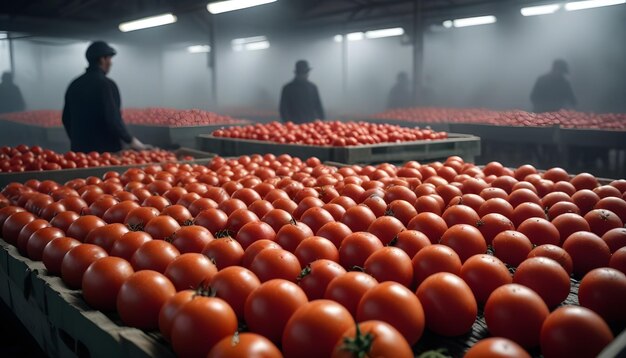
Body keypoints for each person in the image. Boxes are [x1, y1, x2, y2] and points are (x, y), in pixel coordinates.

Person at [62, 41, 148, 153]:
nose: (111, 63)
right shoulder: (106, 84)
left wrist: (78, 141)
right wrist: (131, 141)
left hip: (79, 154)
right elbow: (112, 118)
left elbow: (66, 118)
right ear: (102, 59)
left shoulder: (74, 84)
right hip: (106, 153)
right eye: (109, 59)